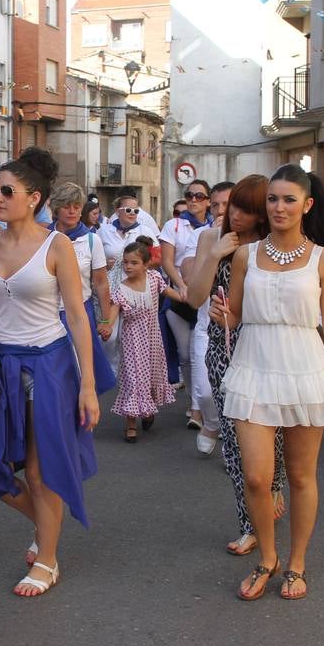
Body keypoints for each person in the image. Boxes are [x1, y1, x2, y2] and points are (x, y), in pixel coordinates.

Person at [0, 148, 99, 598]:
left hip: (49, 365)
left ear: (34, 198)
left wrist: (88, 386)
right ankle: (45, 527)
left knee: (39, 469)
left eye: (7, 190)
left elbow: (76, 315)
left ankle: (48, 560)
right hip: (2, 364)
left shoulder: (58, 246)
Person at [221, 163, 324, 602]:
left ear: (307, 205)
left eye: (288, 199)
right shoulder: (245, 255)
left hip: (305, 369)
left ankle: (297, 562)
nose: (279, 207)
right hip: (254, 368)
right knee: (258, 478)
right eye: (273, 199)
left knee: (301, 477)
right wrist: (223, 315)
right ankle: (268, 557)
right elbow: (237, 312)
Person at [186, 176, 287, 555]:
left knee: (272, 436)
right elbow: (195, 297)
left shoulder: (272, 246)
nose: (234, 215)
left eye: (244, 208)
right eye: (229, 206)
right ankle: (249, 524)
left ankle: (271, 487)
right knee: (233, 444)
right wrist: (214, 256)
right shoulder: (210, 238)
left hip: (265, 351)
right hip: (223, 352)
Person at [181, 181, 234, 453]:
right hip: (207, 325)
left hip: (240, 329)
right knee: (203, 391)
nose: (221, 210)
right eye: (215, 204)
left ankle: (232, 442)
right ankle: (212, 423)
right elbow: (194, 289)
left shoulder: (254, 239)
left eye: (227, 204)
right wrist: (216, 249)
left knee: (235, 394)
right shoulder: (203, 236)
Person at [49, 182, 117, 396]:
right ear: (56, 208)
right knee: (56, 377)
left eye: (76, 206)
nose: (72, 211)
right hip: (48, 313)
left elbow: (101, 283)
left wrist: (105, 320)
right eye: (66, 205)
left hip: (80, 313)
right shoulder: (43, 237)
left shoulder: (91, 240)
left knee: (83, 376)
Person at [110, 237, 177, 442]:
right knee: (133, 378)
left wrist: (190, 297)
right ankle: (131, 424)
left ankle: (148, 410)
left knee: (151, 375)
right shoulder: (120, 288)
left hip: (153, 337)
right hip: (132, 340)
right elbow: (112, 313)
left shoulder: (155, 278)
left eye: (134, 262)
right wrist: (105, 325)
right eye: (126, 262)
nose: (128, 266)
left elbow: (172, 293)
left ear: (146, 264)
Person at [159, 179, 212, 396]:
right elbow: (167, 261)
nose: (193, 200)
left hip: (206, 295)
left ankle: (203, 402)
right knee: (185, 354)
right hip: (180, 296)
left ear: (208, 201)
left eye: (199, 196)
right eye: (189, 195)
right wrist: (181, 285)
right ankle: (194, 399)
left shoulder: (213, 227)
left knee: (204, 350)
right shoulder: (174, 225)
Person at [97, 195, 160, 373]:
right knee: (110, 335)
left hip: (136, 289)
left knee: (132, 335)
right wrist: (104, 263)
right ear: (118, 211)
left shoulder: (145, 230)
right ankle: (109, 370)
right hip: (112, 289)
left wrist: (137, 263)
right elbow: (94, 257)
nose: (133, 214)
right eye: (128, 210)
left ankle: (130, 372)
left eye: (136, 211)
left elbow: (158, 259)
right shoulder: (104, 231)